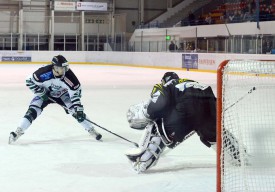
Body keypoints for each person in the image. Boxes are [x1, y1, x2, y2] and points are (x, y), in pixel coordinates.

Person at [125, 72, 244, 173]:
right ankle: (240, 157)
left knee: (158, 125)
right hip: (210, 106)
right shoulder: (191, 82)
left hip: (187, 107)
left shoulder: (167, 85)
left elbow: (158, 104)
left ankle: (143, 160)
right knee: (216, 137)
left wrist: (150, 113)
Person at [9, 55, 102, 144]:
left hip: (63, 94)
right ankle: (19, 131)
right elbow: (29, 81)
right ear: (55, 68)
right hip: (45, 93)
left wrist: (78, 109)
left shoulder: (70, 77)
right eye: (62, 68)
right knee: (32, 111)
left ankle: (91, 129)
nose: (65, 70)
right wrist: (41, 93)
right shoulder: (43, 72)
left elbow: (75, 94)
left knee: (76, 112)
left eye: (65, 67)